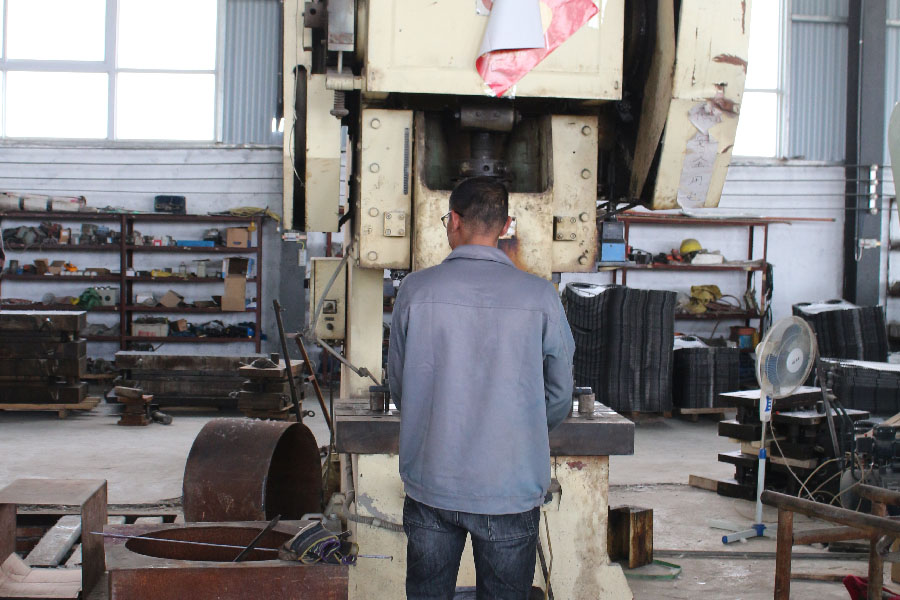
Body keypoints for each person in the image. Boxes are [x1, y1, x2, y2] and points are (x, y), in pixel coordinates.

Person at [388, 176, 575, 599]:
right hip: (510, 487)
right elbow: (560, 393)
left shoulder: (415, 290)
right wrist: (523, 432)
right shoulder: (540, 295)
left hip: (432, 480)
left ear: (454, 221)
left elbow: (400, 387)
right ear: (506, 226)